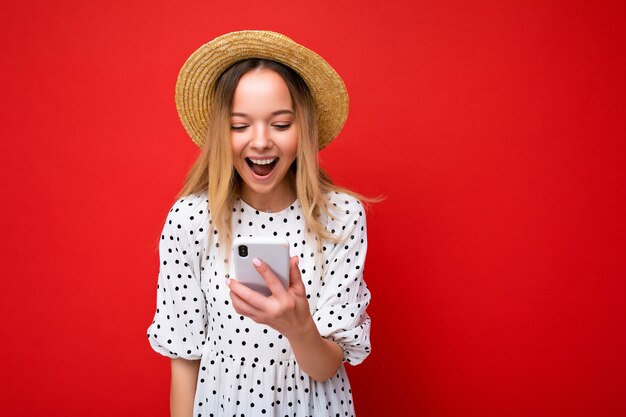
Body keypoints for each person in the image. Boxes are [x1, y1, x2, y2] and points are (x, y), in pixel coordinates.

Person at [147, 30, 372, 417]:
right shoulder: (190, 220)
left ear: (304, 130)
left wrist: (298, 326)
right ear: (221, 133)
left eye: (281, 125)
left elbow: (325, 366)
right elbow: (184, 359)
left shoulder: (340, 216)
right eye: (240, 126)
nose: (262, 141)